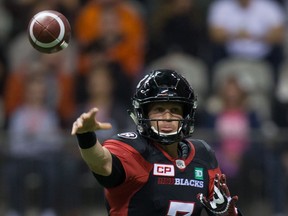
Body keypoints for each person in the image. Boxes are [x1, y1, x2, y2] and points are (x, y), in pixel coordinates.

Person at [71, 69, 242, 215]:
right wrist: (86, 137)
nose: (167, 117)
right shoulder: (134, 148)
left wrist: (227, 212)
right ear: (144, 114)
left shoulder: (203, 155)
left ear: (186, 116)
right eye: (159, 110)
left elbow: (227, 209)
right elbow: (102, 162)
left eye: (175, 110)